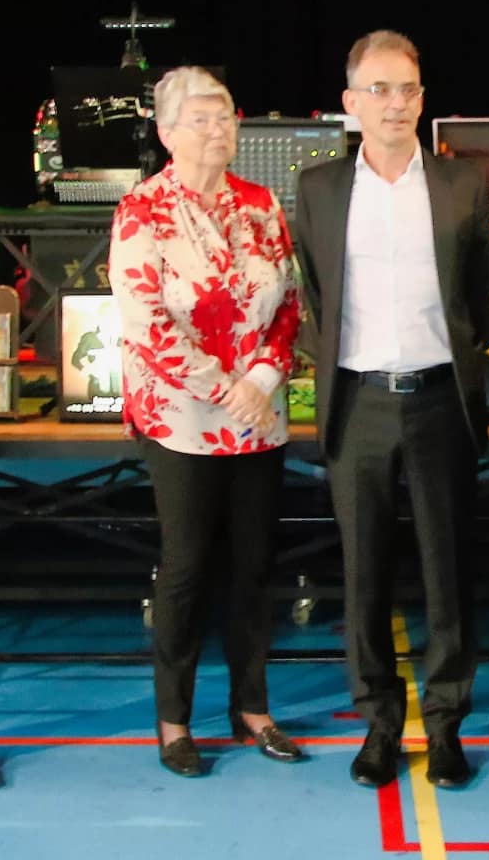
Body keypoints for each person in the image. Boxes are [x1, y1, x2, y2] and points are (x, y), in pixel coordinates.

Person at [294, 30, 489, 792]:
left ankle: (445, 726)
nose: (395, 103)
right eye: (378, 89)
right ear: (351, 103)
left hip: (441, 400)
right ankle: (379, 723)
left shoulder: (461, 184)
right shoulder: (318, 189)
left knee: (449, 573)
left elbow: (477, 298)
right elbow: (317, 297)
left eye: (407, 89)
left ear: (421, 98)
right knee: (364, 576)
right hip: (358, 404)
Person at [109, 66, 304, 777]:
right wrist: (227, 388)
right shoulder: (142, 210)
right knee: (187, 567)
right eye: (201, 118)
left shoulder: (261, 204)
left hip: (259, 412)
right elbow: (146, 324)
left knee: (254, 566)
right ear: (166, 132)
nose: (218, 129)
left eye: (225, 115)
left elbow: (289, 304)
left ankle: (253, 709)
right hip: (183, 416)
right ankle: (174, 721)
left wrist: (263, 379)